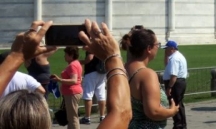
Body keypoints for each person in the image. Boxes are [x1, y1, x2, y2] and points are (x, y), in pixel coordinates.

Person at [0, 19, 132, 129]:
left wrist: (16, 57)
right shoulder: (74, 64)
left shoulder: (73, 64)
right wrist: (113, 57)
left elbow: (121, 113)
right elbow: (121, 112)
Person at [123, 28, 179, 129]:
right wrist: (172, 111)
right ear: (149, 48)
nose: (158, 48)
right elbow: (153, 111)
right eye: (157, 45)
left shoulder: (122, 69)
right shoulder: (147, 74)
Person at [51, 47, 83, 129]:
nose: (64, 56)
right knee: (71, 117)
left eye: (65, 55)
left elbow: (74, 80)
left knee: (72, 117)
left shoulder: (72, 65)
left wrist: (59, 79)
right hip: (73, 92)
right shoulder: (76, 63)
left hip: (72, 93)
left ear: (71, 55)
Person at [162, 40, 188, 129]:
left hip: (176, 84)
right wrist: (166, 55)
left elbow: (174, 75)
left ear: (172, 48)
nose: (165, 50)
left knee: (175, 104)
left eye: (166, 49)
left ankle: (179, 125)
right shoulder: (175, 57)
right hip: (179, 83)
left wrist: (169, 87)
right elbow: (167, 66)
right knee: (178, 104)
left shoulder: (175, 59)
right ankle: (180, 124)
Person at [79, 49, 107, 124]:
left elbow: (90, 58)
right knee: (101, 95)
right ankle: (102, 116)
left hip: (92, 71)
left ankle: (87, 117)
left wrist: (80, 62)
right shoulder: (102, 44)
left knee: (88, 94)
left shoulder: (92, 45)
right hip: (102, 71)